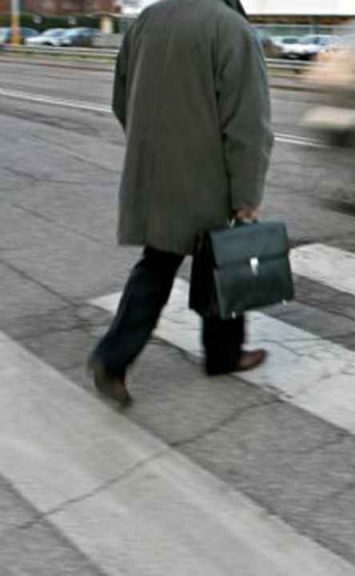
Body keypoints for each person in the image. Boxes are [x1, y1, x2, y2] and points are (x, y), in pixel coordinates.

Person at [89, 0, 274, 406]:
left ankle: (114, 358)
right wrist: (246, 194)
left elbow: (121, 99)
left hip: (155, 169)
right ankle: (219, 355)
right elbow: (248, 123)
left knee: (159, 262)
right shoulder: (231, 28)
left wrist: (151, 147)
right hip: (208, 175)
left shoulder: (148, 20)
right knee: (225, 260)